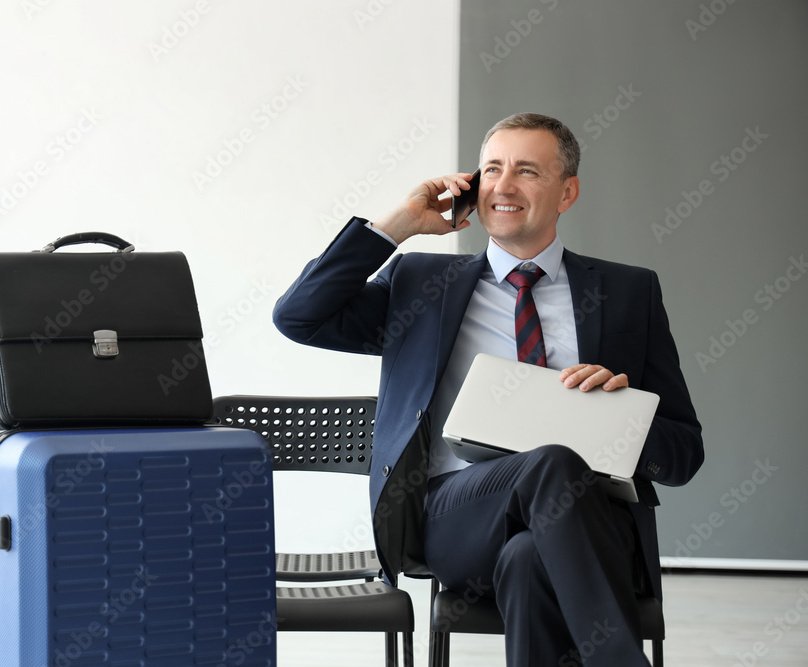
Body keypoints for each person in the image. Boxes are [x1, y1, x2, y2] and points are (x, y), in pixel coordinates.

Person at [273, 113, 703, 665]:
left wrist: (623, 417)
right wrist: (400, 224)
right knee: (549, 463)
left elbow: (683, 452)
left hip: (590, 522)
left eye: (526, 170)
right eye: (492, 168)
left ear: (567, 192)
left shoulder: (627, 292)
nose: (503, 184)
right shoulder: (419, 284)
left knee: (529, 558)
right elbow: (299, 316)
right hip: (458, 516)